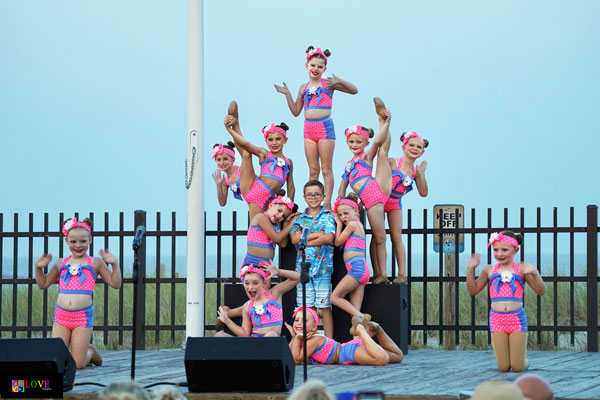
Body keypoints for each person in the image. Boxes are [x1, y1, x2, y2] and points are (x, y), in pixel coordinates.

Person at [274, 46, 358, 209]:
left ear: (325, 69)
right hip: (308, 128)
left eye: (320, 67)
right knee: (313, 169)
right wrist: (287, 95)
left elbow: (354, 90)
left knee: (326, 168)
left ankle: (326, 203)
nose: (316, 69)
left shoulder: (328, 83)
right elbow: (296, 111)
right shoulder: (303, 87)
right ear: (307, 66)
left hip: (324, 127)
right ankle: (312, 201)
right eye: (313, 65)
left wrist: (339, 80)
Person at [34, 217, 122, 369]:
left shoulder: (95, 263)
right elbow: (43, 284)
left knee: (77, 364)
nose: (78, 245)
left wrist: (114, 264)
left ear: (90, 240)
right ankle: (85, 351)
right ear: (67, 241)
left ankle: (90, 353)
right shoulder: (61, 263)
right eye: (73, 242)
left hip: (82, 317)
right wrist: (38, 268)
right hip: (61, 316)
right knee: (56, 360)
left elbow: (116, 284)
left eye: (83, 241)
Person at [466, 231, 546, 372]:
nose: (500, 254)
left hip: (516, 320)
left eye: (505, 250)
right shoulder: (489, 270)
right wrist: (470, 269)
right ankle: (516, 358)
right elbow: (473, 290)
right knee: (503, 367)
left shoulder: (521, 269)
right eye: (496, 250)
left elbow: (541, 291)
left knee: (517, 367)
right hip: (497, 320)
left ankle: (523, 360)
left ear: (516, 250)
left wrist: (534, 272)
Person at [216, 195, 299, 328]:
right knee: (257, 301)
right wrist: (291, 224)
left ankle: (230, 314)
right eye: (278, 211)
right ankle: (234, 318)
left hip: (266, 266)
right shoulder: (260, 218)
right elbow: (277, 237)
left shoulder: (276, 226)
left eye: (283, 215)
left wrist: (284, 223)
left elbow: (282, 244)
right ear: (271, 205)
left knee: (262, 301)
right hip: (253, 265)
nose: (280, 216)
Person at [338, 98, 392, 284]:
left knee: (380, 236)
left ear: (364, 143)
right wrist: (338, 202)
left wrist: (386, 123)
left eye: (358, 142)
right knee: (374, 237)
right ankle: (378, 272)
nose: (354, 145)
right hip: (366, 198)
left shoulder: (366, 156)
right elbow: (342, 186)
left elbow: (378, 141)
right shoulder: (348, 164)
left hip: (373, 192)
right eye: (351, 141)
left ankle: (383, 273)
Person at [372, 131, 429, 284]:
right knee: (378, 237)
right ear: (404, 147)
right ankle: (381, 274)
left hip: (395, 203)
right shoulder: (392, 162)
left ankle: (402, 273)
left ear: (422, 151)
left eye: (418, 147)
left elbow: (423, 193)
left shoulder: (415, 171)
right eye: (411, 145)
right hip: (380, 200)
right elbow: (378, 178)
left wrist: (421, 174)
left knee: (397, 237)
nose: (414, 148)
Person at [224, 102, 295, 221]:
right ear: (266, 141)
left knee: (262, 230)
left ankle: (235, 122)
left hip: (266, 197)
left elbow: (291, 186)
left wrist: (290, 206)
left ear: (285, 140)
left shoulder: (289, 162)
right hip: (255, 189)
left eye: (278, 139)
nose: (274, 143)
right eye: (270, 140)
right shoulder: (265, 154)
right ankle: (235, 123)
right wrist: (228, 129)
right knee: (246, 154)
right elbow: (245, 144)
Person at [290, 180, 336, 337]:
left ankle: (329, 343)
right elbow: (294, 240)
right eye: (310, 195)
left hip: (323, 268)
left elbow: (328, 238)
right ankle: (305, 342)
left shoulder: (328, 217)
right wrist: (317, 236)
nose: (313, 197)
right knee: (305, 308)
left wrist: (306, 240)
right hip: (303, 269)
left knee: (324, 306)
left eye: (317, 194)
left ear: (323, 196)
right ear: (304, 197)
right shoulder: (299, 219)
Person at [285, 306, 403, 366]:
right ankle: (378, 330)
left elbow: (296, 359)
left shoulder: (314, 340)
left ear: (314, 327)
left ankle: (361, 331)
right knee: (397, 356)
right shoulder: (305, 339)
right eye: (296, 320)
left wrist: (297, 338)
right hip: (349, 348)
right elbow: (289, 354)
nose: (299, 323)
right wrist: (294, 336)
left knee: (381, 359)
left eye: (304, 321)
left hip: (348, 353)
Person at [216, 261, 299, 337]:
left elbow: (297, 277)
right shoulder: (247, 306)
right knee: (219, 335)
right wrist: (227, 321)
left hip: (272, 344)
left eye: (255, 283)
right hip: (254, 345)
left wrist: (278, 272)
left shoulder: (274, 294)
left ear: (264, 283)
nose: (250, 287)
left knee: (271, 335)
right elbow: (245, 334)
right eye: (247, 283)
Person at [330, 193, 370, 320]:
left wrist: (338, 224)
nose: (342, 217)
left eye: (345, 213)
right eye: (340, 215)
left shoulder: (353, 225)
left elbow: (337, 242)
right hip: (361, 269)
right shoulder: (358, 225)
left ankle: (362, 317)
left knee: (334, 297)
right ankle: (358, 339)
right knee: (354, 311)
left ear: (356, 211)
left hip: (356, 269)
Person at [211, 141, 243, 206]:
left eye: (225, 159)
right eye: (218, 160)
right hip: (254, 204)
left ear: (233, 160)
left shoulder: (241, 170)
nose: (222, 162)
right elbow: (222, 203)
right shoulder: (225, 181)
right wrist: (218, 185)